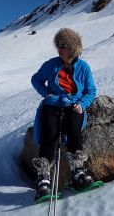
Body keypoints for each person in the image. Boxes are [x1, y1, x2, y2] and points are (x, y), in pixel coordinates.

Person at [31, 28, 97, 200]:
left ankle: (78, 172)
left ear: (73, 49)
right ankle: (43, 178)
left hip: (74, 105)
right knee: (50, 134)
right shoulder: (51, 64)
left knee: (74, 129)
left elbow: (90, 90)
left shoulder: (83, 67)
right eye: (59, 44)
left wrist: (82, 104)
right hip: (53, 104)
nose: (60, 48)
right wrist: (46, 93)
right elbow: (36, 79)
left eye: (64, 45)